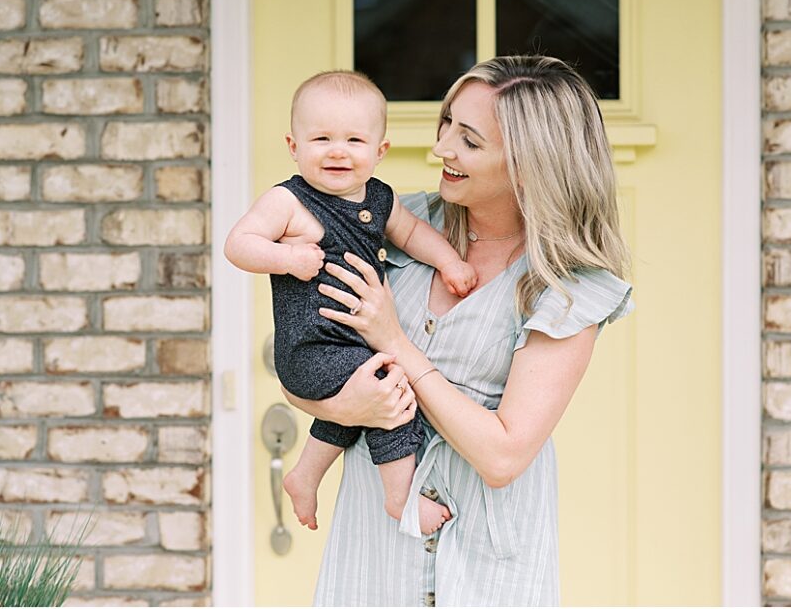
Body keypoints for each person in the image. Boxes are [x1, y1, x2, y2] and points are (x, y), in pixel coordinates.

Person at [281, 55, 634, 606]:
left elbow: (503, 456)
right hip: (375, 548)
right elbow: (303, 363)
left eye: (469, 140)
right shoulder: (385, 223)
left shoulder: (566, 285)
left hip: (485, 565)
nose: (442, 147)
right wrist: (346, 405)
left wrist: (395, 344)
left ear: (527, 164)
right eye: (447, 123)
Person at [223, 71, 477, 536]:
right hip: (311, 348)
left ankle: (305, 476)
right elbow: (238, 244)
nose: (337, 151)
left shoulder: (379, 198)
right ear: (293, 145)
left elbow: (413, 233)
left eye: (354, 140)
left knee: (364, 394)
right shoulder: (289, 201)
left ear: (379, 150)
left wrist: (449, 263)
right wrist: (287, 256)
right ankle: (399, 497)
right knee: (386, 390)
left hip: (351, 346)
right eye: (321, 138)